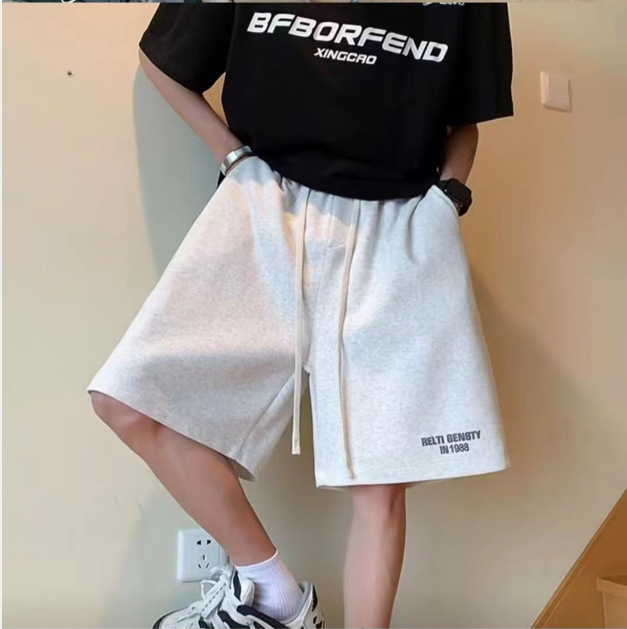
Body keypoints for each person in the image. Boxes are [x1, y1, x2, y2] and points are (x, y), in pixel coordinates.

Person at [86, 3, 514, 628]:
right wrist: (234, 159)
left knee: (379, 480)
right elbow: (164, 60)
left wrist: (447, 199)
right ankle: (276, 598)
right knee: (129, 401)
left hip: (399, 227)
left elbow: (465, 117)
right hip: (268, 203)